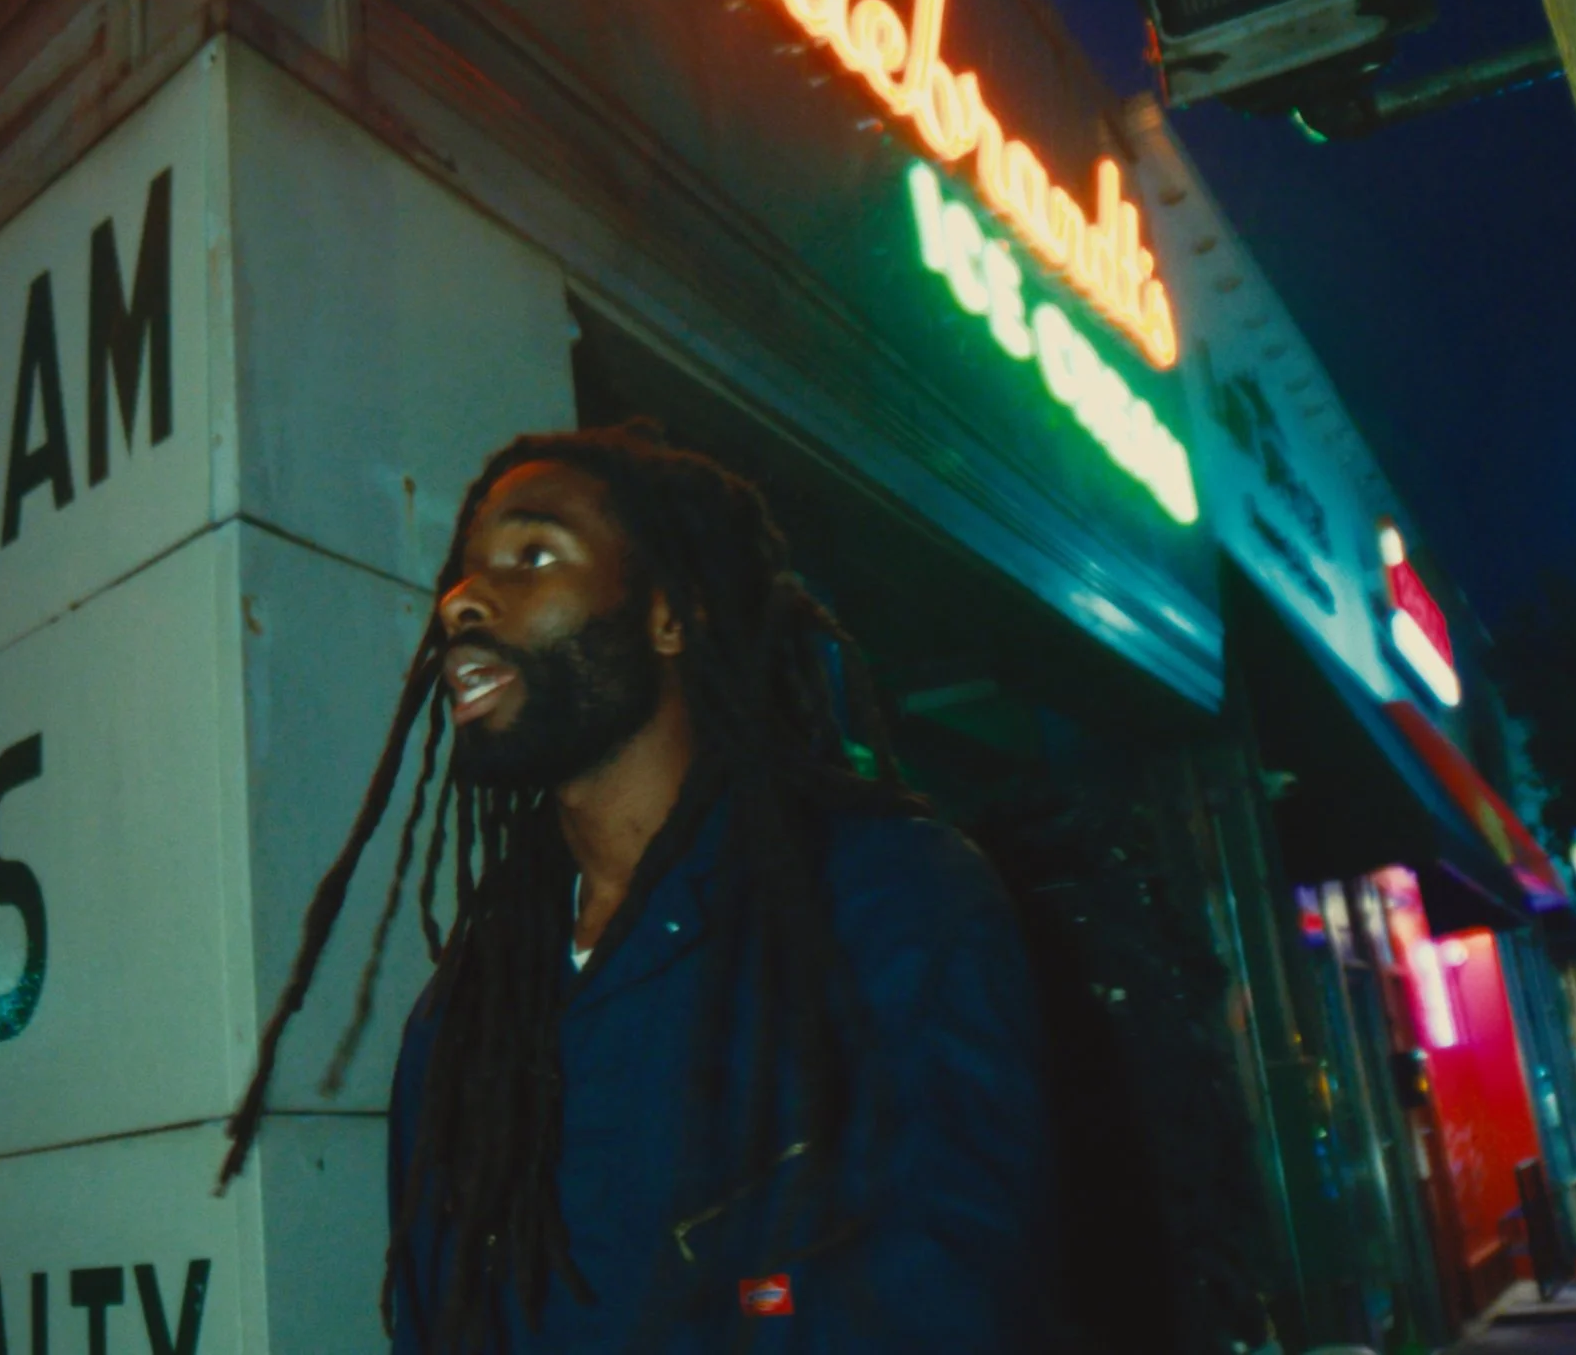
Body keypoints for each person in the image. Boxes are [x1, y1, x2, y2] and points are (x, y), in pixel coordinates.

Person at [218, 425, 1061, 1351]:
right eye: (462, 573)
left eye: (534, 555)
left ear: (671, 613)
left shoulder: (890, 900)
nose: (462, 600)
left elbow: (946, 1297)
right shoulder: (462, 1022)